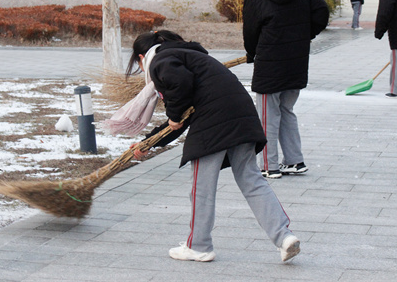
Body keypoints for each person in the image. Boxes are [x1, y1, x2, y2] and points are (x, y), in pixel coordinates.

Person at [126, 30, 301, 263]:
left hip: (214, 124)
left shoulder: (161, 60)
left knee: (202, 187)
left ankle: (198, 246)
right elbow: (183, 113)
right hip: (242, 116)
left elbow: (180, 94)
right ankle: (284, 237)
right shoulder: (190, 56)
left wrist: (174, 114)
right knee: (252, 180)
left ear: (141, 57)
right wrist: (152, 142)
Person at [243, 0, 329, 178]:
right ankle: (294, 161)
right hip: (296, 62)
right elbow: (322, 12)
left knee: (267, 115)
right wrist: (305, 35)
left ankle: (268, 166)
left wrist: (253, 54)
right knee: (286, 110)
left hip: (270, 65)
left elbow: (250, 33)